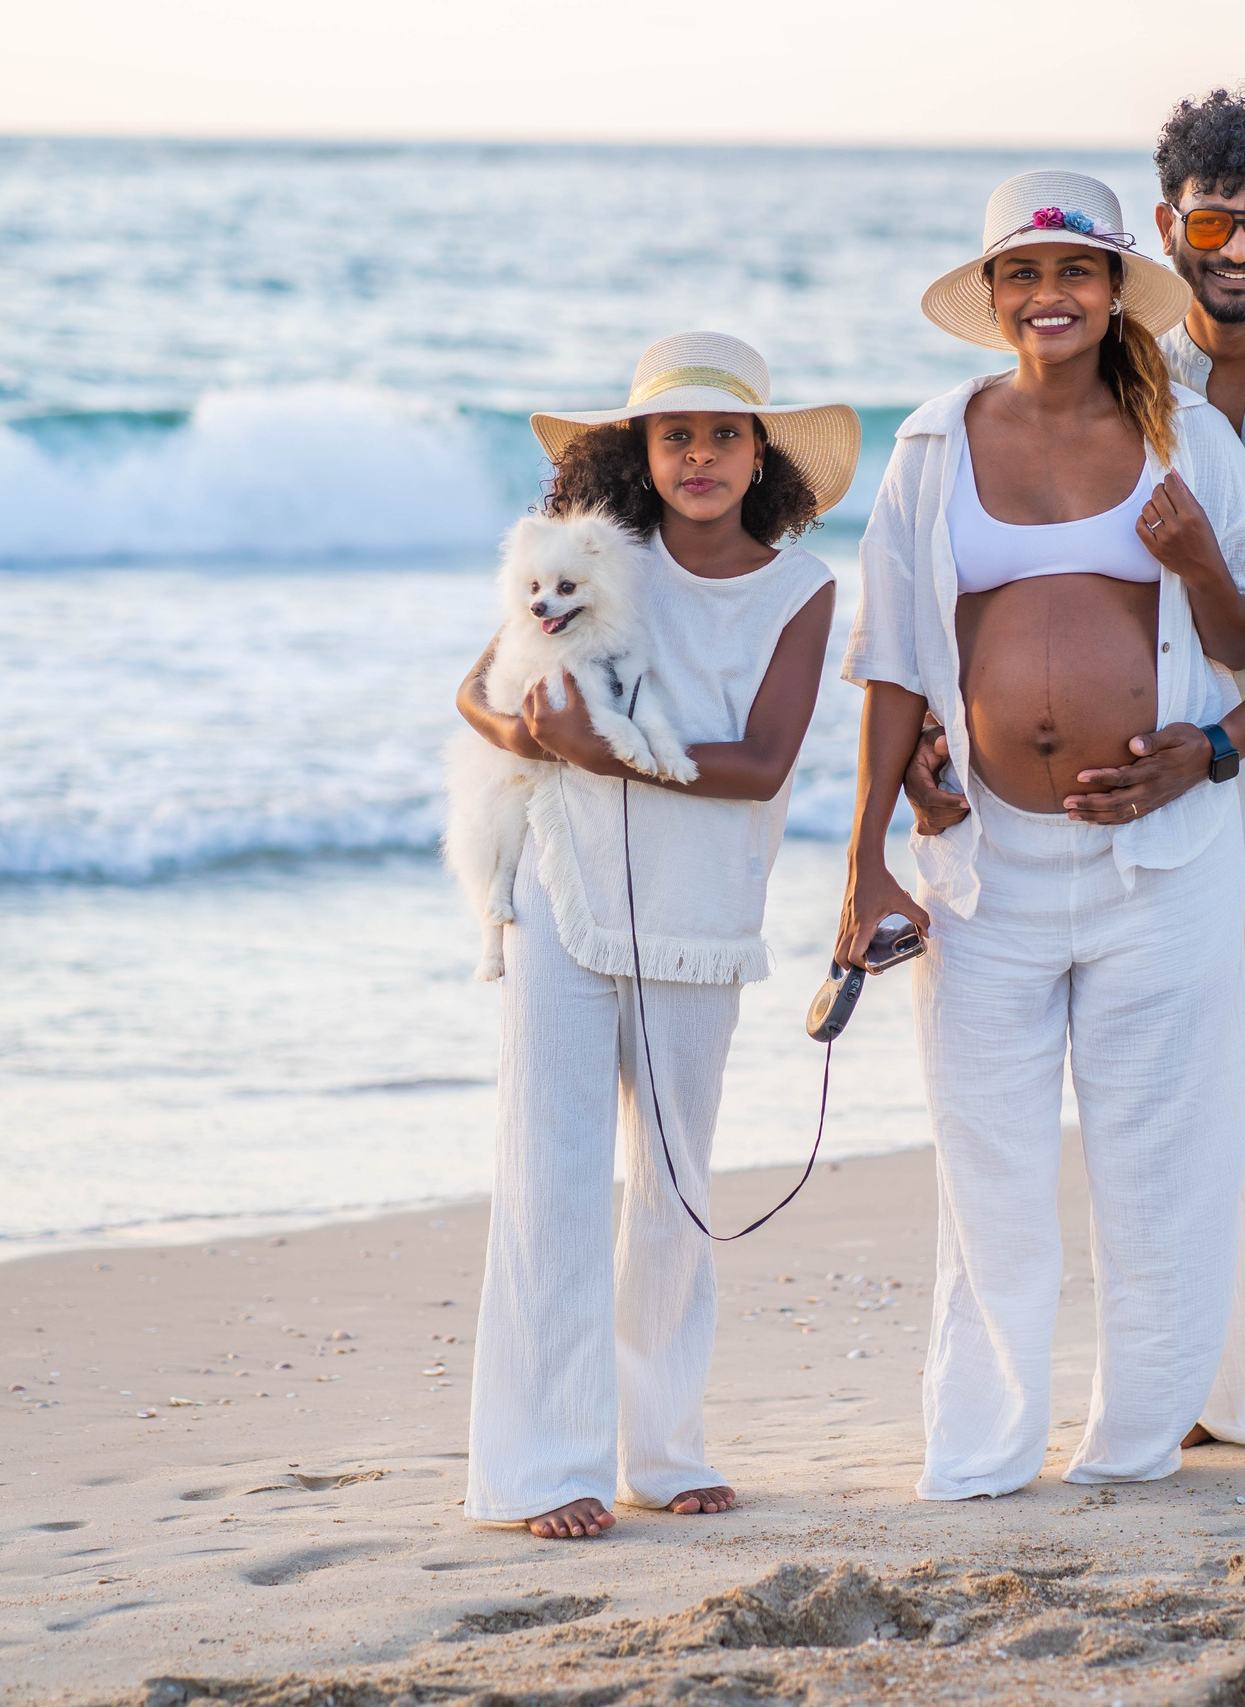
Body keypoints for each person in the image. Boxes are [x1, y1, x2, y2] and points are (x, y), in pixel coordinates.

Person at [905, 89, 1245, 1476]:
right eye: (1214, 219)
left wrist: (1215, 747)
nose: (1240, 247)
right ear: (1169, 226)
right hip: (1165, 797)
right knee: (1216, 1101)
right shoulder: (1130, 365)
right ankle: (1230, 1390)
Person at [838, 169, 1245, 1501]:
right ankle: (980, 1451)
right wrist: (863, 864)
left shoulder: (1191, 439)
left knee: (1160, 1165)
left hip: (1161, 861)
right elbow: (894, 663)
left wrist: (1196, 555)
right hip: (986, 869)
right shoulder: (929, 445)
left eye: (1073, 273)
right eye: (1022, 275)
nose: (1048, 297)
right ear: (990, 295)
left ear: (1113, 288)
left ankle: (1131, 1445)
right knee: (992, 1171)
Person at [454, 331, 858, 1538]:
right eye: (673, 435)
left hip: (699, 920)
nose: (698, 456)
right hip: (560, 900)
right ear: (637, 451)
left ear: (758, 454)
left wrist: (596, 747)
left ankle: (660, 1448)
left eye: (722, 435)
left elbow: (766, 761)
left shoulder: (801, 588)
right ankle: (539, 1471)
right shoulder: (587, 559)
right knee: (551, 1177)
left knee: (675, 1191)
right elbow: (477, 688)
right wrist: (534, 742)